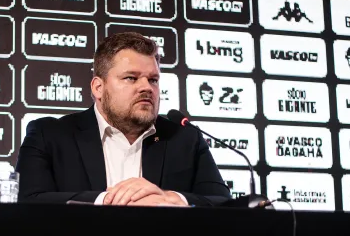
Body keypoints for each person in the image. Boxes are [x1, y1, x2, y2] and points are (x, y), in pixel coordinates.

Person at [15, 32, 231, 207]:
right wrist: (108, 200)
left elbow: (223, 203)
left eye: (153, 80)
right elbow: (28, 200)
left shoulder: (185, 138)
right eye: (131, 78)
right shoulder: (49, 135)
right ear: (98, 87)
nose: (147, 87)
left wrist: (170, 198)